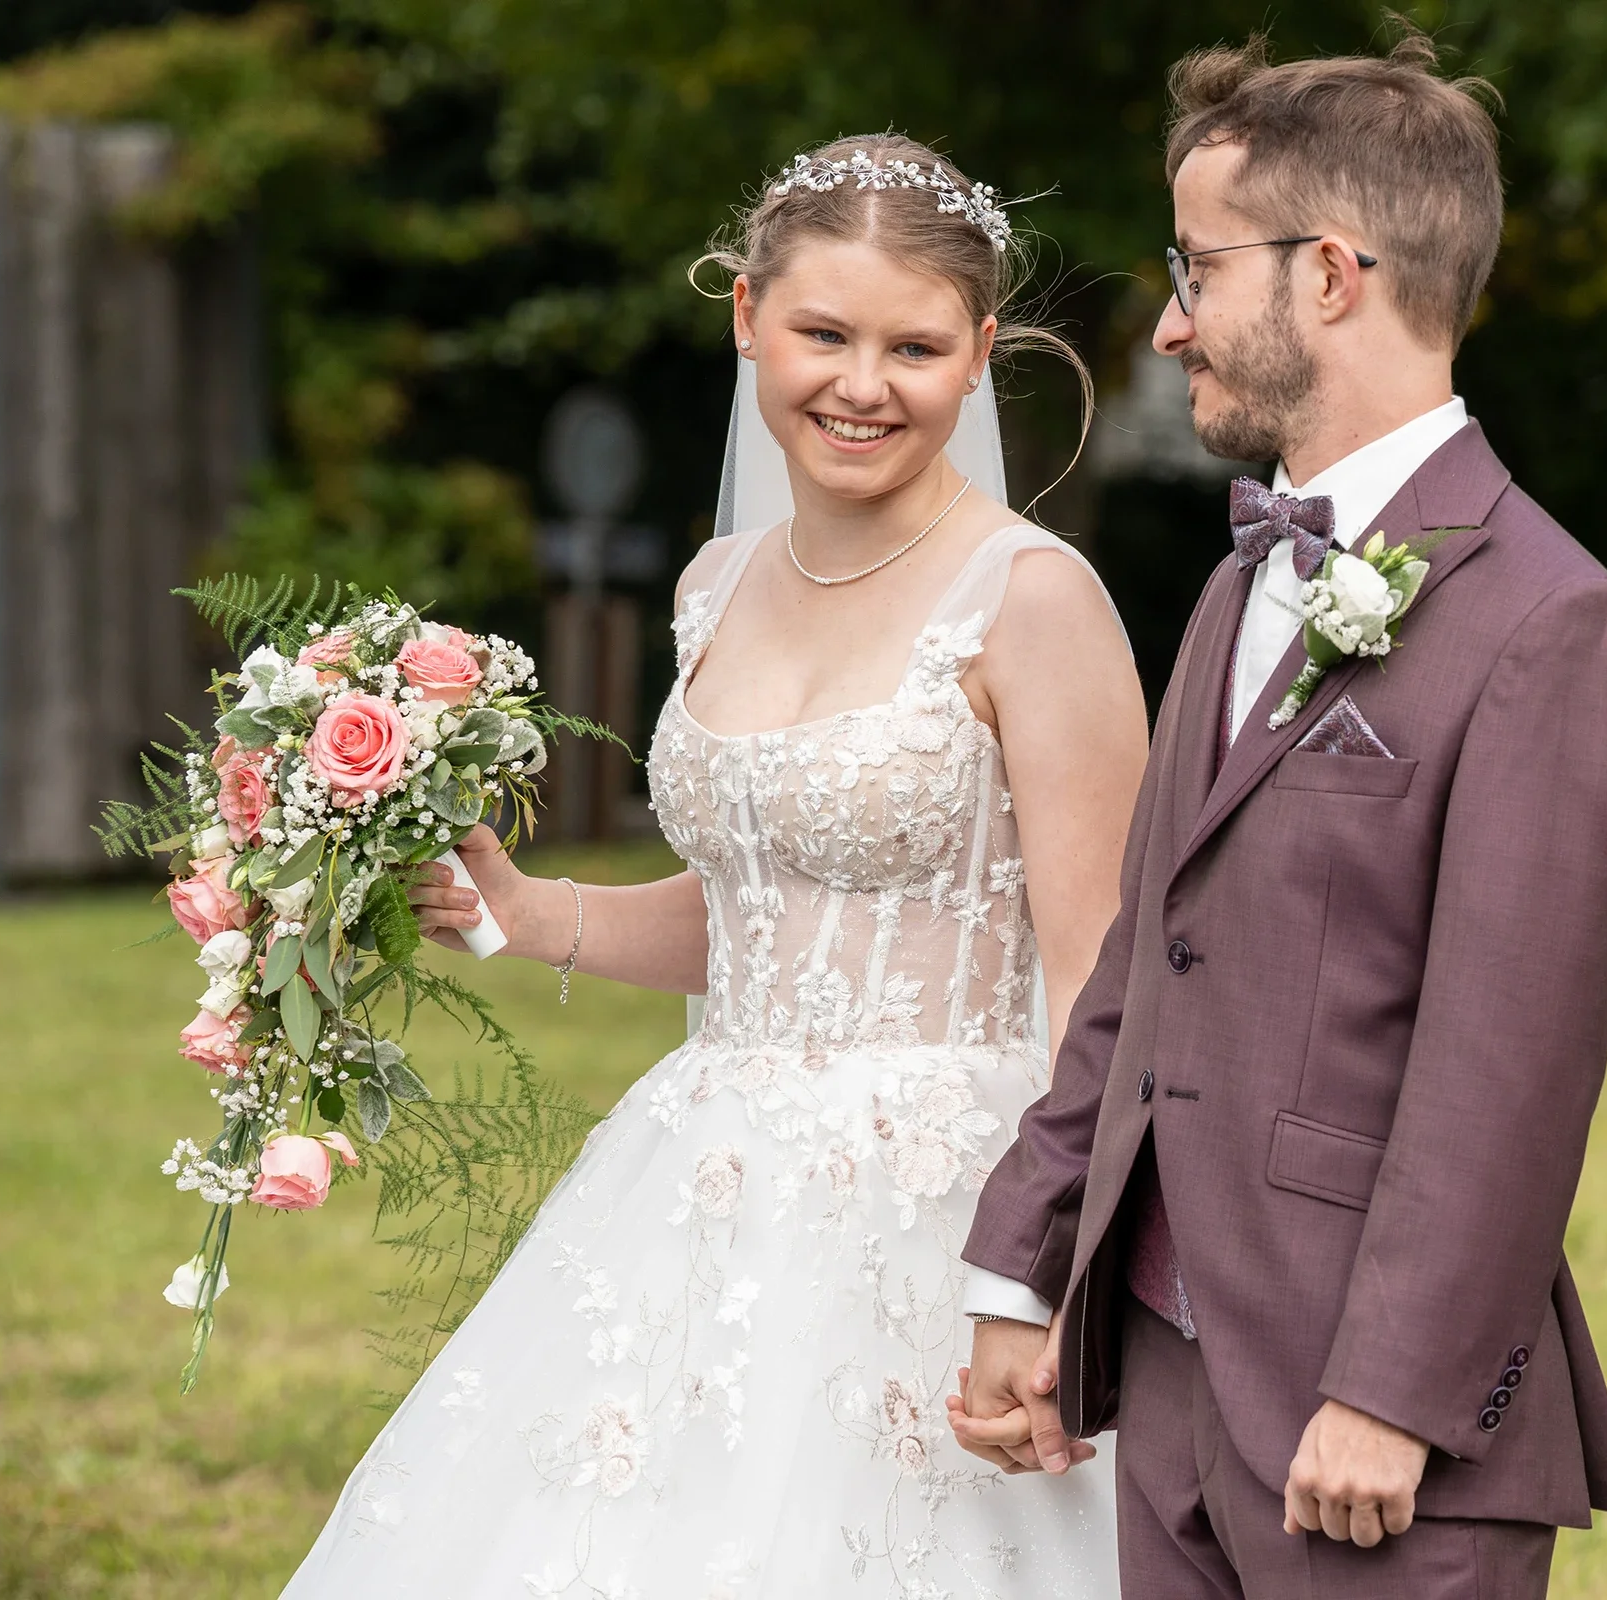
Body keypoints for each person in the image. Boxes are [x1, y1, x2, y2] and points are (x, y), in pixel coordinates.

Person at [281, 133, 1146, 1599]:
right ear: (747, 315)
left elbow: (1099, 977)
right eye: (822, 333)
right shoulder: (714, 583)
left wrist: (1046, 1275)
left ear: (979, 355)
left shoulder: (1035, 602)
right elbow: (767, 914)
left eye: (915, 347)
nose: (862, 385)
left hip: (948, 1201)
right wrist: (531, 911)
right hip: (706, 1171)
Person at [949, 30, 1607, 1600]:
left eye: (1197, 270)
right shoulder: (1232, 587)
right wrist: (1027, 1265)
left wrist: (1396, 1394)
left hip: (1369, 1425)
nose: (1167, 321)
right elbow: (1148, 966)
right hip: (1176, 1376)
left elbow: (1512, 1062)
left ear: (1329, 275)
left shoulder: (1552, 625)